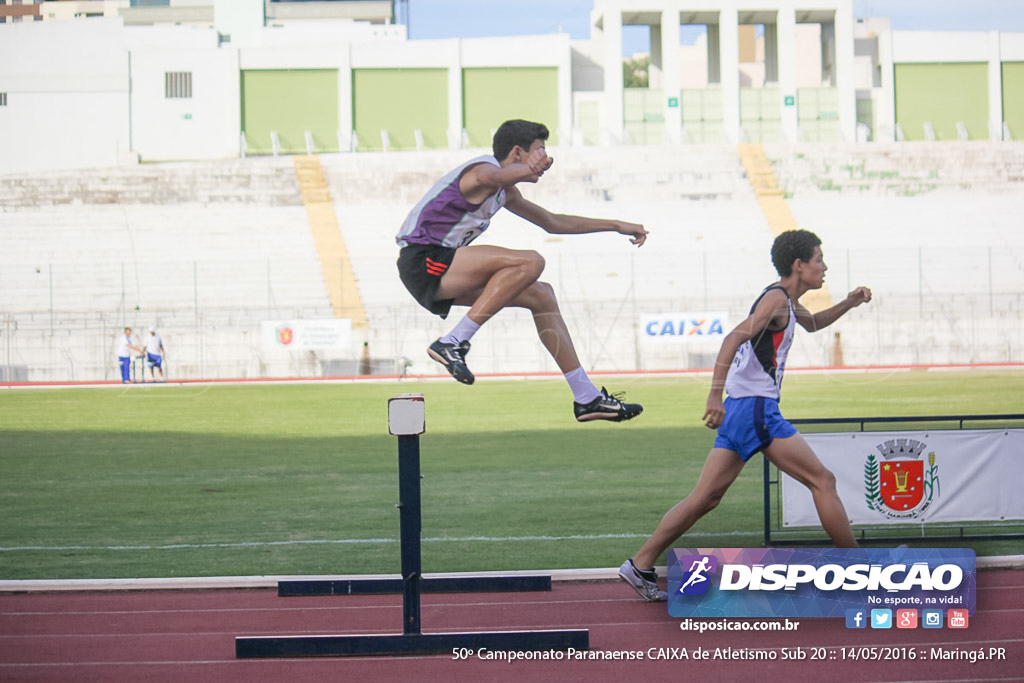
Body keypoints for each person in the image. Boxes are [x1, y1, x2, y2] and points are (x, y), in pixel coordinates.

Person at [619, 229, 872, 601]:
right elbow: (732, 338)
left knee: (704, 499)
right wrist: (713, 395)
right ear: (799, 265)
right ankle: (858, 571)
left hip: (745, 408)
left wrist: (849, 303)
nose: (825, 267)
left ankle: (639, 563)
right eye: (819, 260)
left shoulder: (785, 299)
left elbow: (813, 323)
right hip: (756, 409)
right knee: (823, 481)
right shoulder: (776, 300)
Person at [396, 119, 648, 422]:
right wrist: (531, 170)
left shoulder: (504, 192)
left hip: (443, 263)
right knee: (530, 262)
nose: (544, 156)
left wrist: (616, 225)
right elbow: (501, 174)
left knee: (542, 296)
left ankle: (586, 397)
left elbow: (553, 222)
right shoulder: (482, 172)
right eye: (539, 150)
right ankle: (452, 342)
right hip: (424, 260)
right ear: (517, 151)